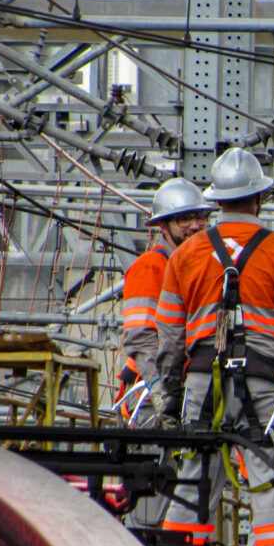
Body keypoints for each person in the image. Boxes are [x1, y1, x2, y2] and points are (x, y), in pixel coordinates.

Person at [155, 147, 274, 546]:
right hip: (265, 386)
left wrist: (172, 394)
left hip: (201, 383)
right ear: (258, 198)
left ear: (216, 201)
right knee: (270, 478)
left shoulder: (185, 257)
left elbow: (171, 337)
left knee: (195, 476)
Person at [118, 178, 213, 421]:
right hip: (151, 395)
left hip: (187, 389)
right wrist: (163, 393)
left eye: (201, 218)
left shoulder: (201, 269)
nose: (195, 226)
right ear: (163, 226)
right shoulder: (150, 267)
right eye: (184, 219)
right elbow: (141, 338)